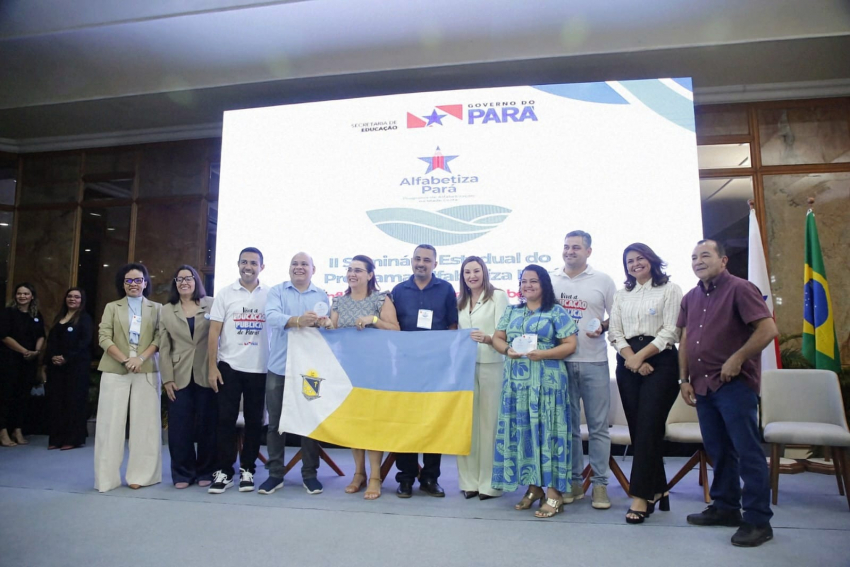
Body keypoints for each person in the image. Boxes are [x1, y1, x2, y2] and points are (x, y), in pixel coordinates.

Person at [678, 239, 778, 547]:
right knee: (719, 451)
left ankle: (758, 520)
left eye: (705, 255)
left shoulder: (740, 289)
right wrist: (683, 378)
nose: (698, 261)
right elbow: (685, 340)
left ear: (723, 260)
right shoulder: (691, 297)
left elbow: (768, 330)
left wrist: (738, 357)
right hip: (703, 385)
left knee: (748, 452)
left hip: (734, 385)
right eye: (693, 257)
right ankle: (725, 507)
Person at [491, 265, 578, 518]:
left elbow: (570, 344)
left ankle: (554, 493)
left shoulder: (556, 311)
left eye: (534, 281)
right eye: (524, 281)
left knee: (548, 434)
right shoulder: (512, 311)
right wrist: (506, 350)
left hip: (548, 384)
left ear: (544, 284)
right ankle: (533, 486)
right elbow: (497, 338)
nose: (527, 285)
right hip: (517, 385)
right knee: (525, 434)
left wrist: (544, 354)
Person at [608, 243, 683, 524]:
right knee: (640, 430)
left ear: (651, 260)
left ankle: (640, 496)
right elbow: (615, 332)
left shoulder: (670, 289)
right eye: (630, 261)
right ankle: (659, 489)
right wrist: (632, 359)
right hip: (627, 363)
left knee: (649, 426)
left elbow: (671, 330)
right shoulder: (621, 294)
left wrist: (641, 357)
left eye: (640, 258)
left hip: (661, 362)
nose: (635, 264)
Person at [551, 230, 617, 509]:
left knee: (598, 428)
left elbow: (617, 317)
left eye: (576, 247)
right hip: (560, 363)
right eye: (567, 246)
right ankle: (574, 481)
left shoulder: (603, 280)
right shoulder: (551, 279)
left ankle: (600, 485)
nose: (570, 251)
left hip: (595, 362)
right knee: (569, 428)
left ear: (588, 251)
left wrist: (603, 325)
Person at [325, 254, 400, 500]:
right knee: (354, 422)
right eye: (350, 269)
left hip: (376, 371)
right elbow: (333, 332)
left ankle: (376, 476)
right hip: (348, 371)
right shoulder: (339, 302)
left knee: (373, 423)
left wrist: (374, 320)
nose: (352, 274)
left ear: (370, 275)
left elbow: (396, 330)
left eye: (358, 270)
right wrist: (324, 323)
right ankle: (359, 474)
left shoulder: (381, 299)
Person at [261, 252, 335, 496]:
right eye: (295, 263)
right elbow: (271, 317)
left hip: (309, 370)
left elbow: (327, 328)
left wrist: (324, 324)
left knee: (310, 422)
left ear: (314, 269)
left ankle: (310, 475)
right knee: (275, 424)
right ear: (289, 268)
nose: (299, 267)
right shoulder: (277, 291)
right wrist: (297, 320)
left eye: (304, 264)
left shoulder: (321, 295)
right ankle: (275, 474)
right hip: (279, 366)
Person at [391, 244, 459, 498]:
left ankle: (430, 478)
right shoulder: (399, 290)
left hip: (436, 367)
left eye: (427, 260)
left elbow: (452, 325)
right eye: (417, 259)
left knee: (434, 420)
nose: (421, 263)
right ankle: (406, 478)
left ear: (435, 264)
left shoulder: (446, 289)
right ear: (411, 261)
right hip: (405, 367)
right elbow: (392, 326)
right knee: (405, 422)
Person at [94, 264, 162, 492]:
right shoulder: (112, 307)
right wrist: (125, 360)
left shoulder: (157, 308)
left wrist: (140, 358)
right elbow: (104, 337)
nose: (133, 284)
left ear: (145, 283)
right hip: (116, 367)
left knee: (145, 425)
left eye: (138, 280)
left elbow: (159, 338)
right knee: (109, 424)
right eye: (128, 280)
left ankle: (141, 475)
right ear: (122, 284)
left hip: (146, 367)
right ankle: (107, 478)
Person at [207, 247, 269, 494]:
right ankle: (224, 471)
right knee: (225, 420)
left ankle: (248, 469)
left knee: (255, 421)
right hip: (229, 367)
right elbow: (214, 332)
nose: (248, 267)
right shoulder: (225, 293)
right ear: (238, 264)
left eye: (253, 263)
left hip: (259, 367)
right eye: (244, 262)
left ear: (261, 267)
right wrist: (212, 367)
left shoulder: (270, 295)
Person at [159, 265, 216, 488]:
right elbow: (164, 347)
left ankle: (206, 471)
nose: (184, 282)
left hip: (207, 371)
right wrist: (167, 378)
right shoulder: (166, 310)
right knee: (179, 427)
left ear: (196, 281)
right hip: (178, 374)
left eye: (188, 278)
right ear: (175, 283)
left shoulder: (211, 303)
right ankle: (182, 473)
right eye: (180, 279)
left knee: (207, 425)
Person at [456, 256, 508, 501]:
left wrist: (487, 339)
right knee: (467, 425)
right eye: (467, 272)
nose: (472, 276)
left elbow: (503, 332)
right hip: (464, 368)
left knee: (489, 425)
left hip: (492, 364)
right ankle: (469, 482)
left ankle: (490, 484)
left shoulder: (498, 296)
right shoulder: (459, 301)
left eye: (476, 271)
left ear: (484, 272)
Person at [45, 287, 93, 450]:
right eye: (70, 296)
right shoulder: (59, 318)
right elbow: (51, 341)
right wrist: (53, 356)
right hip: (57, 369)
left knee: (74, 402)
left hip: (76, 367)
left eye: (76, 297)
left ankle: (73, 439)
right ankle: (56, 438)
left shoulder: (85, 319)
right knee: (57, 402)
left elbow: (84, 342)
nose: (72, 299)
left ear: (82, 300)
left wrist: (66, 357)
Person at [0, 283, 46, 447]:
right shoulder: (8, 313)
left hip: (29, 362)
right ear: (15, 296)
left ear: (32, 296)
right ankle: (3, 431)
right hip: (10, 360)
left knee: (23, 396)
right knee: (6, 396)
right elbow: (4, 336)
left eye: (26, 294)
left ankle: (17, 430)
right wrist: (24, 351)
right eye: (19, 293)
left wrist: (36, 351)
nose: (22, 296)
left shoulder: (36, 314)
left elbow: (41, 335)